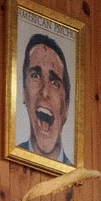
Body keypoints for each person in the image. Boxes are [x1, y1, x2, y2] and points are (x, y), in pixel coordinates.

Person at [20, 29, 71, 162]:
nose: (45, 92)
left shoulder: (82, 182)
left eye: (55, 83)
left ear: (66, 107)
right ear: (24, 92)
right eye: (35, 76)